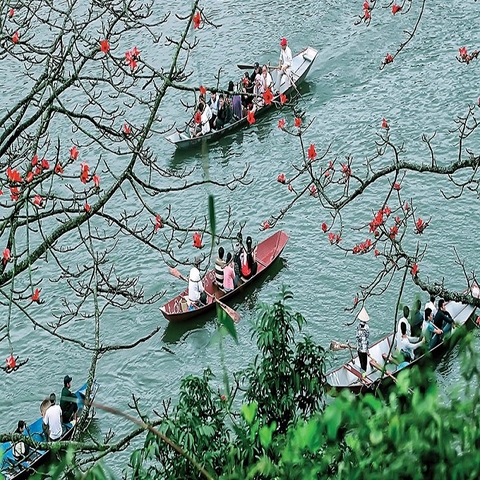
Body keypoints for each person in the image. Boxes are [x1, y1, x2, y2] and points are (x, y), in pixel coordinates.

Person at [356, 307, 370, 373]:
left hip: (359, 349)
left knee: (361, 364)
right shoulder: (367, 327)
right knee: (365, 365)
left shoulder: (358, 326)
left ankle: (361, 376)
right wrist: (367, 350)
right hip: (364, 350)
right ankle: (363, 377)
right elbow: (367, 339)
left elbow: (357, 337)